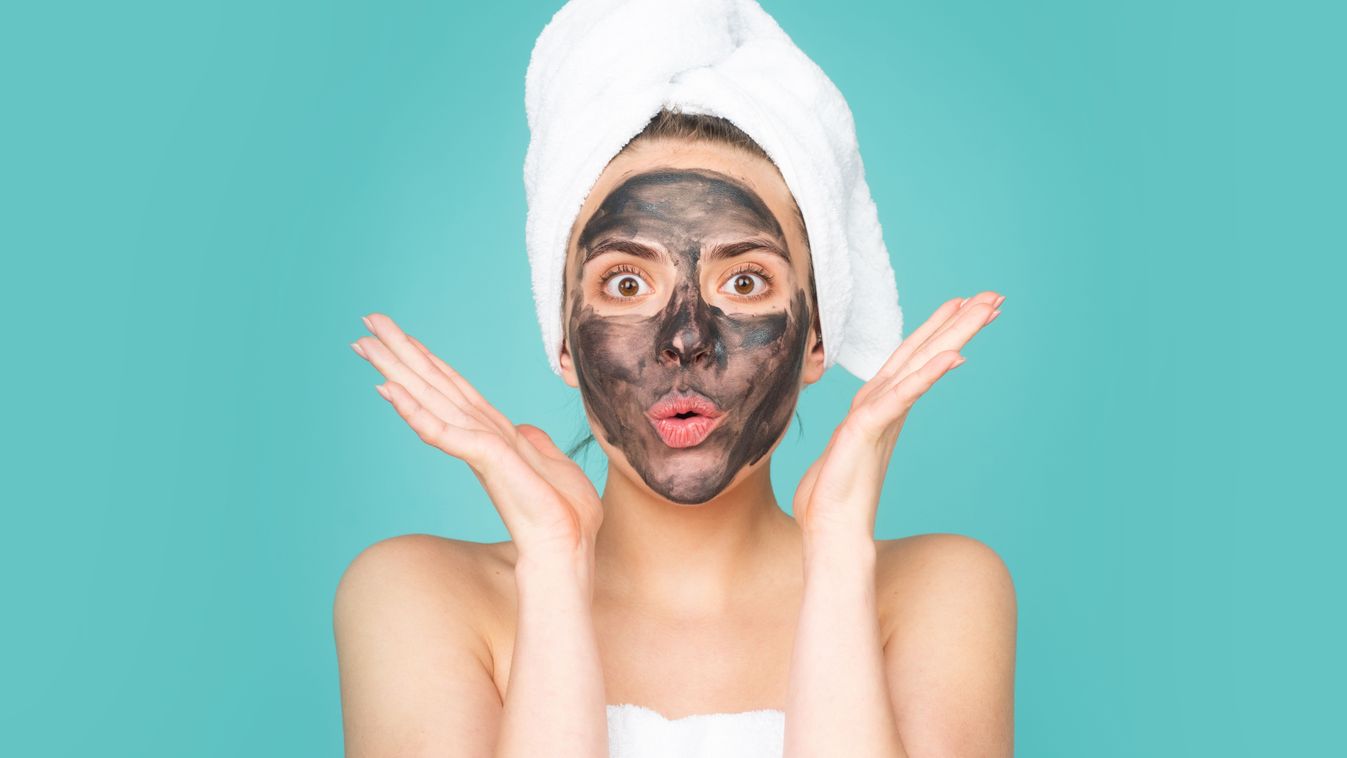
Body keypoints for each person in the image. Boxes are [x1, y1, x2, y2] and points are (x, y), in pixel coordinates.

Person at [335, 107, 1015, 758]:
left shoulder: (937, 592)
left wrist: (836, 556)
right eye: (626, 283)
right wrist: (553, 565)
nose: (685, 339)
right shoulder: (417, 595)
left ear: (816, 337)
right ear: (565, 341)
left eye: (745, 281)